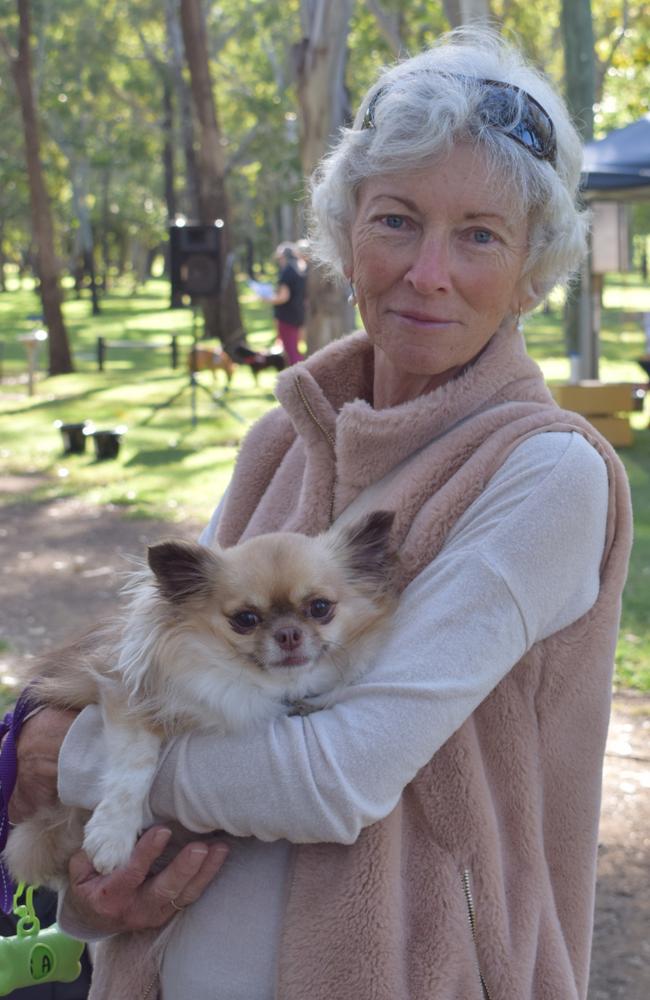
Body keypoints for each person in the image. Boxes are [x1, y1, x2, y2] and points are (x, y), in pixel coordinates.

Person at [8, 28, 632, 1000]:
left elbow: (331, 779)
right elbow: (171, 682)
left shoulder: (543, 471)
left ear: (531, 272)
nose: (427, 270)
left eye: (478, 234)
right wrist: (98, 898)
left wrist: (67, 753)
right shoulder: (280, 440)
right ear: (343, 233)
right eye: (395, 220)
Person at [268, 242, 307, 365]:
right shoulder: (299, 269)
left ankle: (300, 380)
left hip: (286, 317)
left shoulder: (287, 271)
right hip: (298, 315)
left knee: (291, 352)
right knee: (293, 349)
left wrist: (266, 298)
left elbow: (284, 297)